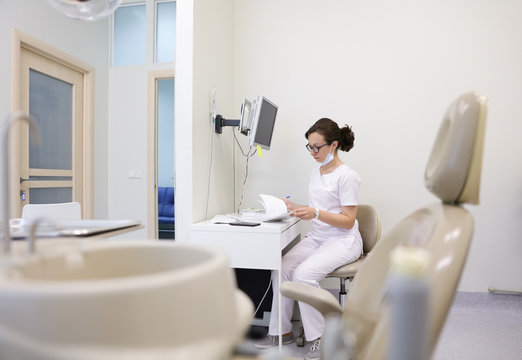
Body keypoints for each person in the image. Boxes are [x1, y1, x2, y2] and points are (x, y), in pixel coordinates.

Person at [254, 118, 363, 360]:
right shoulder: (316, 171)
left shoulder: (347, 176)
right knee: (281, 268)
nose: (312, 152)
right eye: (309, 147)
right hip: (318, 236)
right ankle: (282, 332)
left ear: (333, 145)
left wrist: (315, 213)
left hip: (343, 240)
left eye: (317, 147)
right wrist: (294, 206)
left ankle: (319, 338)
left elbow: (347, 219)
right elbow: (319, 208)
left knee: (303, 275)